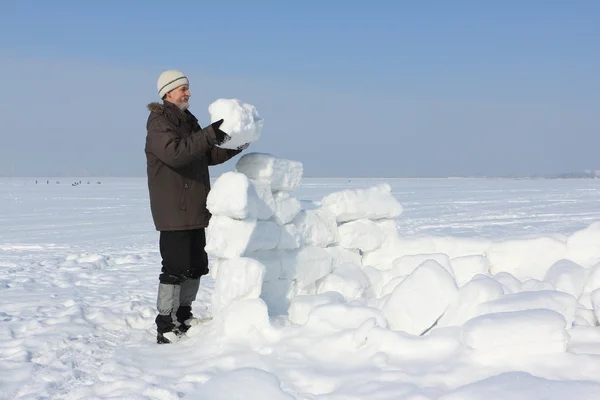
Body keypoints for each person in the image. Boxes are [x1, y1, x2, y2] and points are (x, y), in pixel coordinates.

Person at [145, 70, 248, 344]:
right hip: (173, 209)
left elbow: (205, 154)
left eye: (188, 88)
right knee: (175, 267)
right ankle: (165, 324)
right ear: (168, 92)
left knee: (195, 265)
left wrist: (235, 144)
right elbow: (176, 154)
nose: (188, 93)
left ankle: (184, 314)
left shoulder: (188, 120)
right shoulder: (158, 122)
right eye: (183, 89)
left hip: (195, 207)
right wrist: (208, 133)